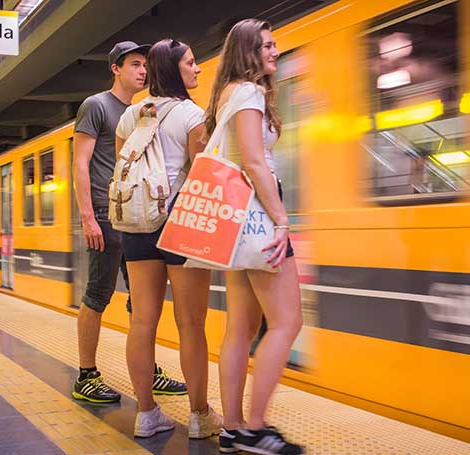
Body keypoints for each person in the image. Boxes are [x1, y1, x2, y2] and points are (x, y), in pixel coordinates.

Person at [115, 38, 223, 439]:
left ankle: (146, 414)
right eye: (191, 63)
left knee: (142, 321)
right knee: (191, 324)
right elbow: (203, 177)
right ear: (174, 70)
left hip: (137, 227)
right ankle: (199, 416)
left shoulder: (130, 115)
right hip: (180, 225)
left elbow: (125, 176)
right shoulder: (192, 116)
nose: (197, 69)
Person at [205, 19, 304, 455]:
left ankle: (231, 426)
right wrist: (281, 220)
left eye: (275, 44)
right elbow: (253, 161)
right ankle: (255, 428)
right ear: (247, 51)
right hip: (257, 213)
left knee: (241, 329)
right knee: (287, 321)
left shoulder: (229, 93)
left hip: (236, 216)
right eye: (266, 45)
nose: (274, 52)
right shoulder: (248, 93)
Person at [72, 41, 187, 404]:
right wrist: (88, 217)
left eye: (145, 65)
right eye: (135, 64)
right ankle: (86, 375)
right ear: (115, 69)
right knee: (98, 294)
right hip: (107, 215)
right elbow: (80, 163)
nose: (142, 71)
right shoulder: (97, 106)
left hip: (139, 217)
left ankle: (147, 369)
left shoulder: (144, 109)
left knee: (144, 301)